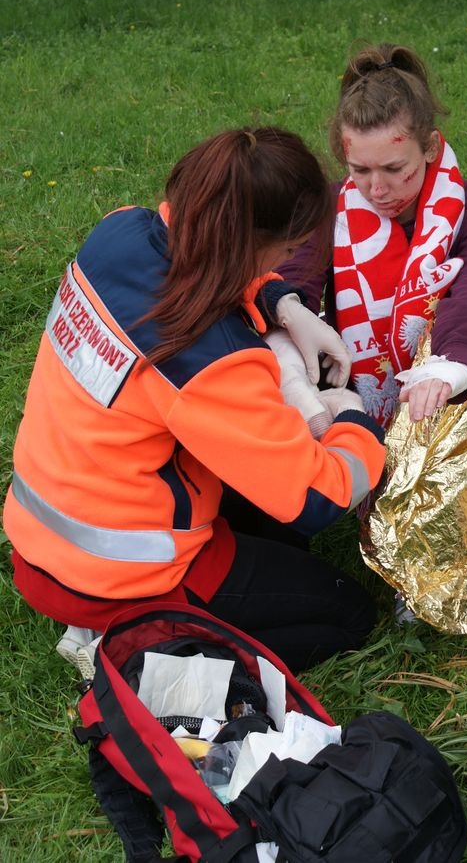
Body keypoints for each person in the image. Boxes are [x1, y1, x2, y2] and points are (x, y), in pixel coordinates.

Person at [2, 127, 387, 677]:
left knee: (284, 539)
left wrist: (282, 302)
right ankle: (141, 652)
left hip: (43, 529)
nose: (288, 258)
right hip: (121, 572)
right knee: (346, 613)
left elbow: (211, 265)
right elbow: (316, 497)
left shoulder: (119, 232)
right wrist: (354, 420)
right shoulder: (213, 360)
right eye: (288, 250)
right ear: (252, 244)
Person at [277, 43, 467, 430]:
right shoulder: (331, 206)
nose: (377, 188)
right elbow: (294, 277)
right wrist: (288, 310)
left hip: (449, 381)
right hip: (348, 380)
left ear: (432, 147)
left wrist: (450, 367)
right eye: (360, 169)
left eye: (393, 168)